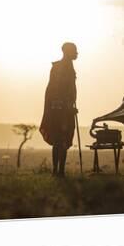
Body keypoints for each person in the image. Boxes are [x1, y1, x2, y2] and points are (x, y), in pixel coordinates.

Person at [39, 42, 78, 176]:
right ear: (67, 52)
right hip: (59, 111)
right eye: (74, 51)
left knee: (63, 140)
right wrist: (67, 106)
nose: (77, 53)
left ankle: (60, 170)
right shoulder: (58, 67)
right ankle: (57, 170)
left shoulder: (68, 67)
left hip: (66, 110)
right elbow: (54, 91)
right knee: (59, 140)